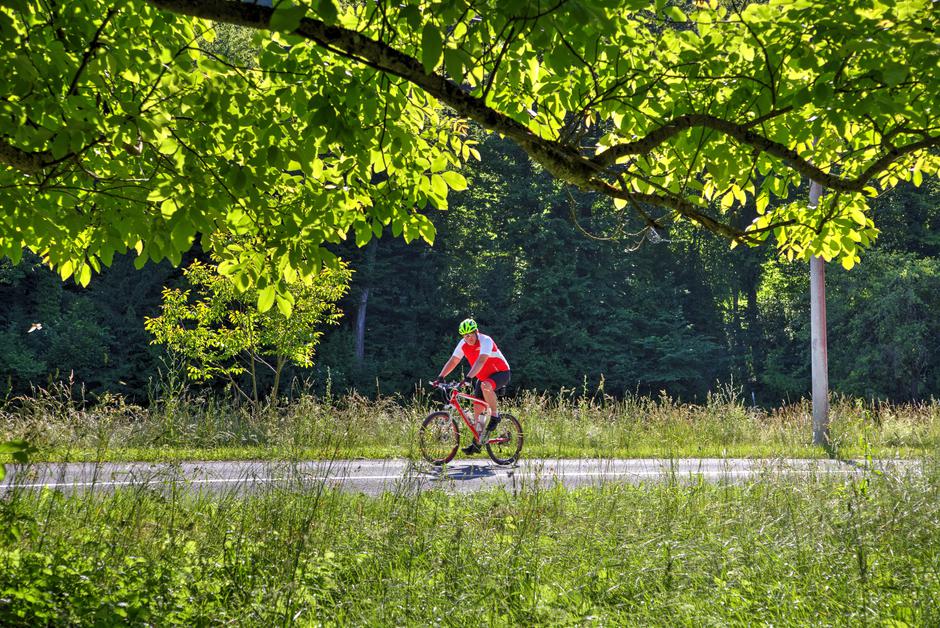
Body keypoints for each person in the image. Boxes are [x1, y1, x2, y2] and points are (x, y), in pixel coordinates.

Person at [434, 318, 511, 454]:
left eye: (470, 334)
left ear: (476, 331)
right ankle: (477, 443)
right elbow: (454, 360)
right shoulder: (463, 344)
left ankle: (495, 416)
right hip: (482, 378)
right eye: (465, 336)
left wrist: (469, 377)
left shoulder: (485, 340)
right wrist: (441, 376)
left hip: (501, 373)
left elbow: (481, 360)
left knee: (485, 385)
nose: (468, 338)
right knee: (478, 413)